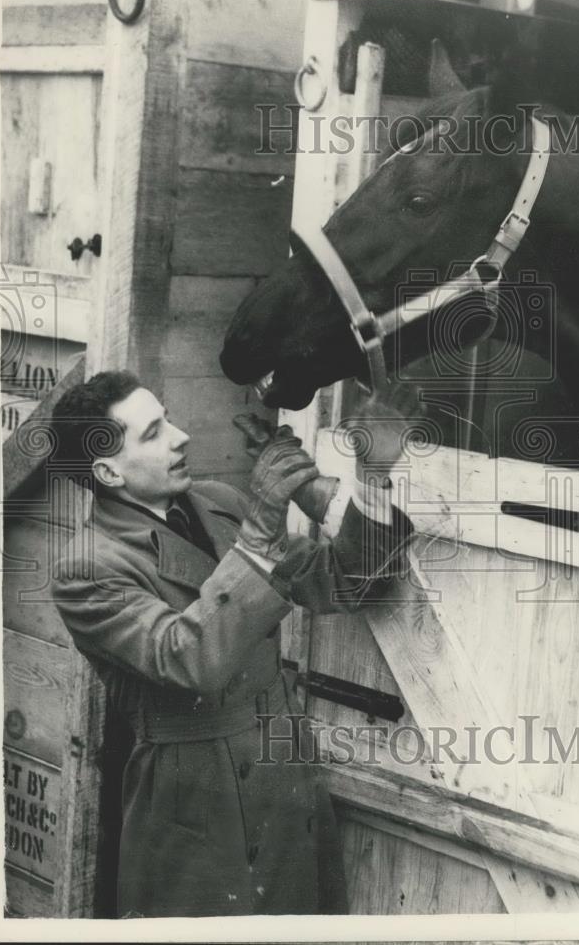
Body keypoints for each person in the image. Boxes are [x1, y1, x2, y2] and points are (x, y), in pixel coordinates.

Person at [49, 370, 417, 918]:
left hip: (282, 777)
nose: (180, 436)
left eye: (168, 418)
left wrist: (372, 476)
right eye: (152, 433)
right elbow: (190, 660)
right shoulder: (87, 569)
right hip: (194, 800)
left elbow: (348, 582)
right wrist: (265, 521)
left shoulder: (218, 503)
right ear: (108, 470)